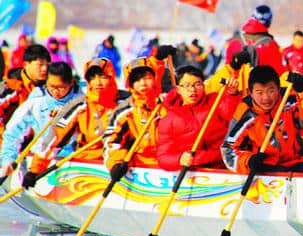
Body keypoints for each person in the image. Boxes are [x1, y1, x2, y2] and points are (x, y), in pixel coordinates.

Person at [26, 58, 124, 175]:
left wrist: (116, 163)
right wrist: (36, 169)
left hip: (121, 164)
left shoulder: (125, 103)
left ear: (111, 77)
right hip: (88, 163)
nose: (97, 82)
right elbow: (56, 137)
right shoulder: (79, 105)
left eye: (102, 77)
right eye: (92, 78)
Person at [222, 65, 303, 174]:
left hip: (295, 162)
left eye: (271, 91)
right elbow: (228, 149)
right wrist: (249, 161)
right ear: (250, 93)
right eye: (259, 93)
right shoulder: (245, 113)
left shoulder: (289, 99)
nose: (266, 98)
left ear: (278, 88)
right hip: (265, 167)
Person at [0, 62, 81, 178]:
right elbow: (13, 133)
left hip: (71, 162)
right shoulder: (36, 103)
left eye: (61, 87)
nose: (56, 91)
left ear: (71, 83)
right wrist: (8, 159)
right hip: (38, 161)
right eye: (51, 86)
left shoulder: (81, 104)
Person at [103, 47, 172, 176]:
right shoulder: (125, 111)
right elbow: (112, 141)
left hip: (172, 165)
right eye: (137, 80)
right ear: (131, 84)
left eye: (147, 78)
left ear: (155, 78)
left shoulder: (168, 103)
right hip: (140, 168)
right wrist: (116, 163)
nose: (143, 84)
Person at [157, 66, 240, 171]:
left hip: (224, 165)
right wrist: (179, 159)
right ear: (178, 89)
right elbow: (163, 157)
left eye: (197, 84)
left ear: (204, 85)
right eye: (187, 85)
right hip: (192, 171)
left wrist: (232, 95)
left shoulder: (216, 101)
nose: (193, 90)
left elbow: (232, 116)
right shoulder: (169, 119)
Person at [0, 44, 50, 138]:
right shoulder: (10, 87)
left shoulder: (50, 88)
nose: (45, 69)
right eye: (40, 65)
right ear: (26, 64)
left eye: (47, 65)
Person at [225, 5, 286, 74]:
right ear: (269, 22)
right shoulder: (271, 44)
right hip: (259, 83)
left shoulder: (235, 41)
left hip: (236, 84)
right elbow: (279, 73)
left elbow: (227, 70)